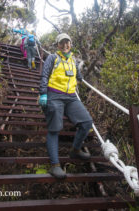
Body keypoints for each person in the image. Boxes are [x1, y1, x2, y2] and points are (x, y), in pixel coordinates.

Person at [39, 33, 93, 179]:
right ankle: (55, 165)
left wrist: (82, 79)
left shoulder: (73, 60)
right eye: (62, 43)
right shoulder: (52, 58)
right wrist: (43, 93)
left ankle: (75, 149)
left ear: (70, 43)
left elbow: (78, 76)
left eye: (67, 42)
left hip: (71, 97)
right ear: (58, 45)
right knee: (55, 128)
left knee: (87, 122)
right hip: (54, 95)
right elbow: (44, 75)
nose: (65, 45)